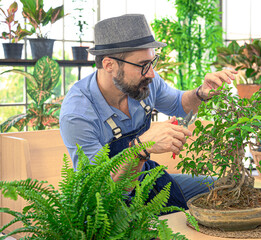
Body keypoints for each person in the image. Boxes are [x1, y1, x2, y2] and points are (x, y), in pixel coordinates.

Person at [60, 14, 236, 210]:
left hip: (147, 178)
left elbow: (180, 104)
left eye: (152, 62)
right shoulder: (77, 114)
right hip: (110, 207)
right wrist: (140, 148)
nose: (151, 73)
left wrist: (201, 93)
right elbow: (102, 191)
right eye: (143, 65)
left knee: (229, 188)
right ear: (109, 65)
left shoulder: (145, 82)